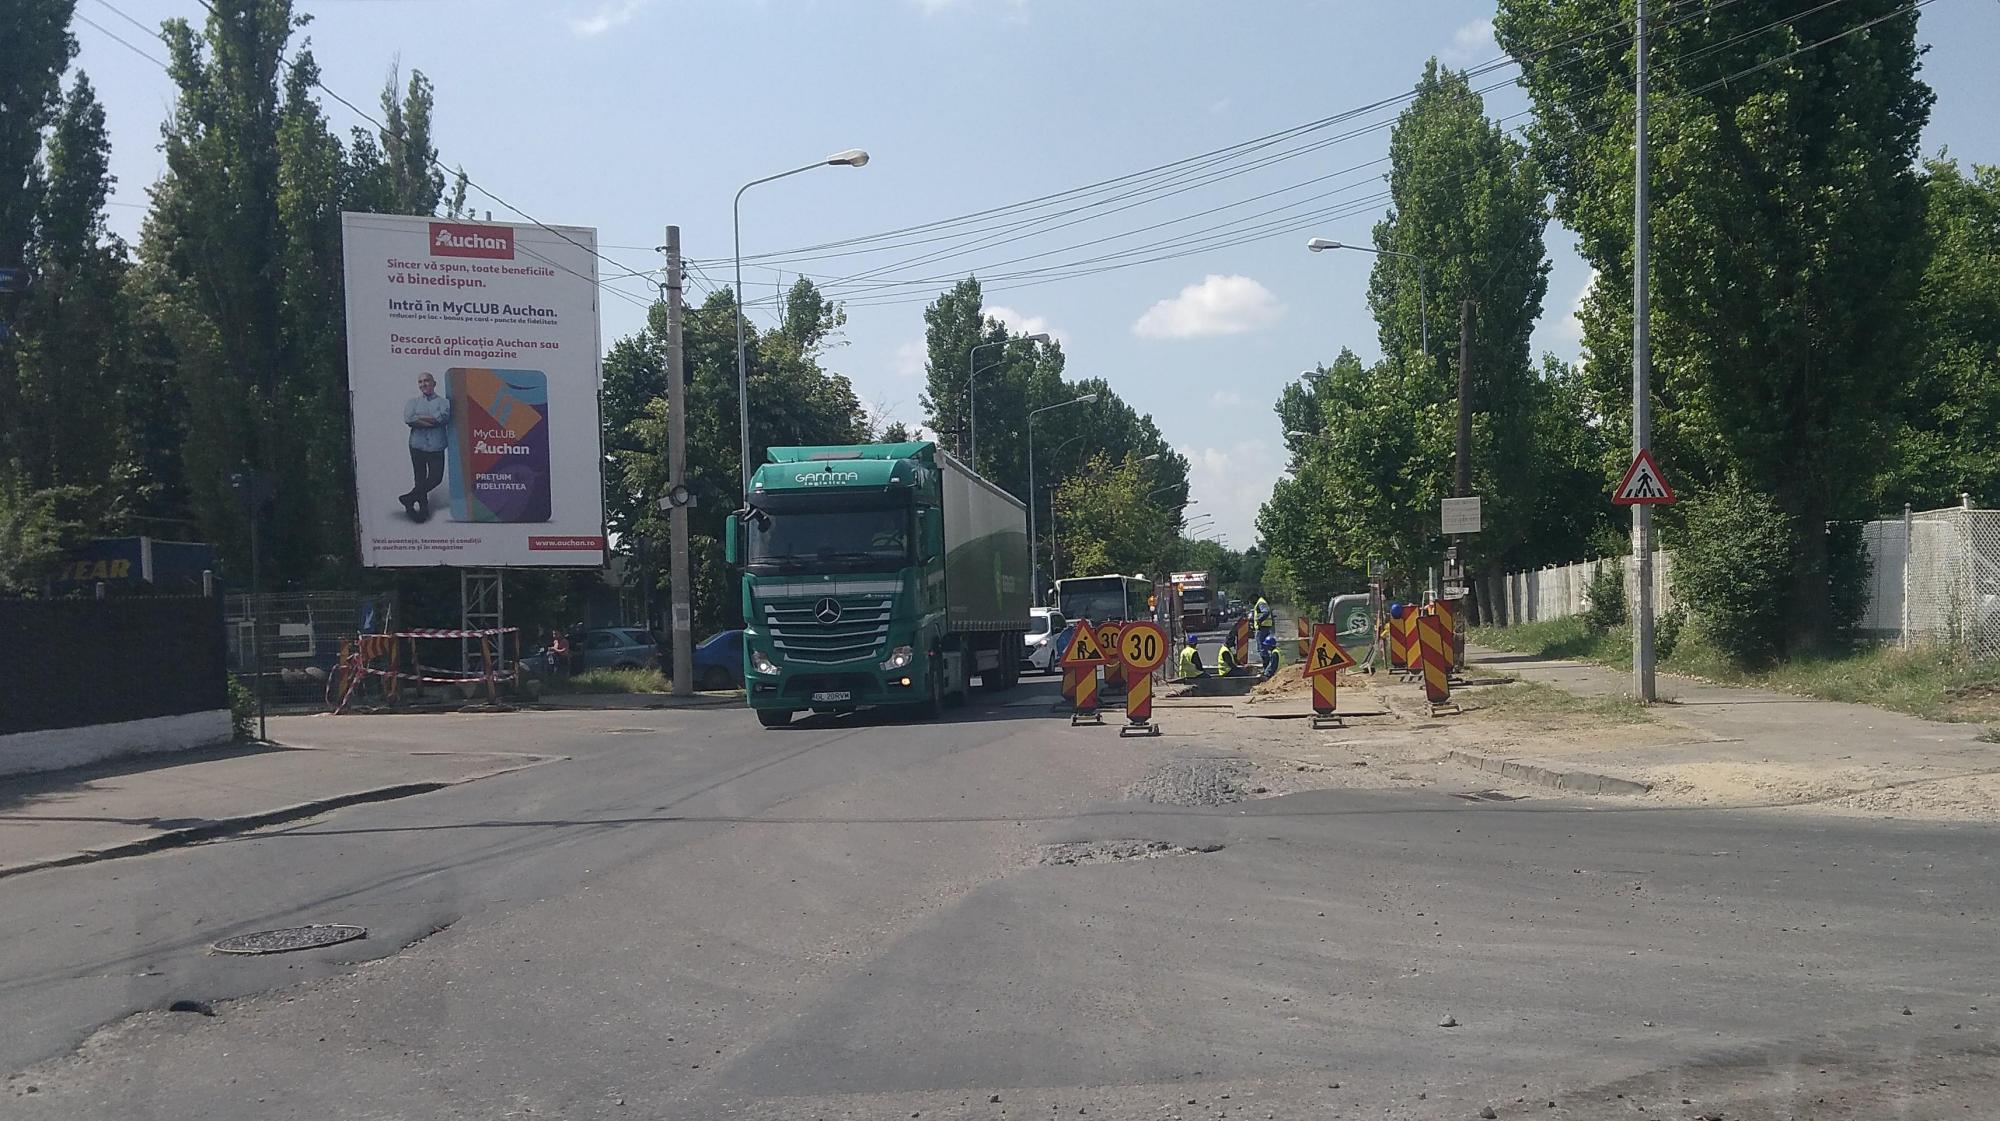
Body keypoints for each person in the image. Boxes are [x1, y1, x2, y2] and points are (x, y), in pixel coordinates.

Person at [400, 372, 451, 521]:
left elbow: (443, 419)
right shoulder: (413, 402)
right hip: (417, 445)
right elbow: (409, 419)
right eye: (420, 382)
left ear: (434, 383)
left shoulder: (444, 402)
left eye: (427, 381)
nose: (423, 384)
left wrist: (419, 420)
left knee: (436, 478)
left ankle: (409, 498)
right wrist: (432, 421)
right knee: (420, 479)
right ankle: (423, 509)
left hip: (436, 446)